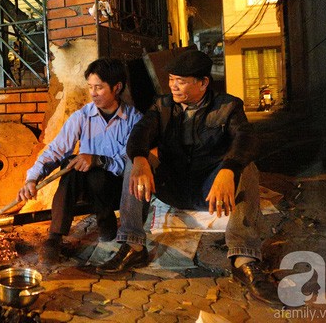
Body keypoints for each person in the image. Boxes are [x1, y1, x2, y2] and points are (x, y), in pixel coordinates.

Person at [96, 49, 280, 305]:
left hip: (211, 190)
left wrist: (229, 169)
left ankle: (244, 257)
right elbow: (140, 132)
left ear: (203, 82)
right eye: (171, 79)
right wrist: (139, 158)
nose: (173, 86)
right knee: (136, 161)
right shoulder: (162, 105)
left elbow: (246, 138)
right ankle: (133, 245)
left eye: (181, 81)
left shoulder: (228, 106)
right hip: (172, 186)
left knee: (247, 167)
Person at [17, 58, 142, 264]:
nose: (93, 93)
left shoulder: (134, 119)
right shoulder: (82, 116)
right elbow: (56, 150)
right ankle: (54, 238)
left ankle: (106, 220)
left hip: (117, 189)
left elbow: (129, 164)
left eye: (99, 88)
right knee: (71, 166)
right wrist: (32, 178)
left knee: (98, 174)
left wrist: (99, 160)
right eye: (90, 87)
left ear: (117, 88)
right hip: (86, 187)